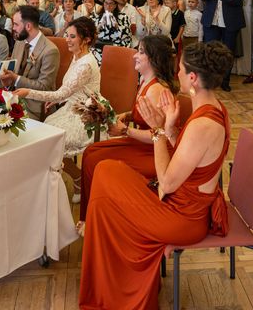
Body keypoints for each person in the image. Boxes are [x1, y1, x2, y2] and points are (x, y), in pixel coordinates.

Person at [79, 41, 232, 309]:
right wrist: (170, 129)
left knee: (105, 179)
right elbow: (187, 156)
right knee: (105, 168)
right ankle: (103, 245)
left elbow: (169, 181)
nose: (177, 74)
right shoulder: (214, 108)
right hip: (183, 205)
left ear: (193, 78)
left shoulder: (203, 124)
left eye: (182, 70)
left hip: (182, 218)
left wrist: (159, 130)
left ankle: (114, 280)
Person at [78, 35, 177, 229]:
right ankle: (94, 214)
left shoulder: (157, 90)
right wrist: (129, 115)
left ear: (153, 58)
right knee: (91, 153)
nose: (134, 56)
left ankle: (98, 218)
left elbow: (159, 136)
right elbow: (144, 115)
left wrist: (125, 131)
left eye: (140, 52)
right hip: (144, 145)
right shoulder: (146, 82)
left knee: (94, 158)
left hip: (156, 153)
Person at [13, 17, 100, 203]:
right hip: (72, 106)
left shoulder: (85, 64)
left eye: (72, 36)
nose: (66, 39)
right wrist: (58, 100)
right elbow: (70, 90)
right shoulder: (78, 56)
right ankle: (74, 180)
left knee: (51, 142)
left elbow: (61, 93)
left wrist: (29, 92)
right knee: (47, 137)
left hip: (84, 114)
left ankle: (73, 182)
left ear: (86, 39)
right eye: (67, 35)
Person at [0, 6, 59, 120]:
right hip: (13, 98)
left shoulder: (50, 50)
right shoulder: (20, 42)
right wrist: (8, 81)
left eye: (16, 24)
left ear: (28, 26)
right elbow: (14, 72)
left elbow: (44, 87)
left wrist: (16, 78)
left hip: (35, 105)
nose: (13, 28)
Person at [199, 0, 248, 92]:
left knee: (227, 53)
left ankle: (225, 81)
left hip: (230, 22)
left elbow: (239, 0)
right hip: (211, 21)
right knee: (210, 52)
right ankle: (210, 80)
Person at [91, 0, 132, 64]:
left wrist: (116, 26)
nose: (108, 6)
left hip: (115, 45)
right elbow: (90, 33)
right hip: (98, 46)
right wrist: (99, 26)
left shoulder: (123, 17)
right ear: (103, 4)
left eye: (111, 3)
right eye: (106, 3)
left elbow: (128, 34)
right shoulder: (95, 16)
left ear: (115, 5)